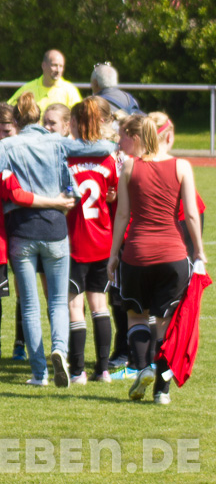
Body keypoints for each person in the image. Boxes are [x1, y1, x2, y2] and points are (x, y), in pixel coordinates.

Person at [0, 92, 115, 388]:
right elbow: (100, 148)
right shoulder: (57, 142)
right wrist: (111, 140)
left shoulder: (9, 144)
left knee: (29, 305)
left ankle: (39, 373)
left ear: (16, 120)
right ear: (39, 118)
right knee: (58, 302)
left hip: (22, 231)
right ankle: (59, 349)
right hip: (55, 229)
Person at [108, 113, 205, 405]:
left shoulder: (129, 166)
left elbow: (122, 215)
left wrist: (113, 255)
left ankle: (143, 368)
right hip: (173, 255)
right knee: (164, 325)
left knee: (137, 316)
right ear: (165, 136)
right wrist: (199, 251)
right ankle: (162, 391)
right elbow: (191, 214)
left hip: (137, 254)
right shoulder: (182, 166)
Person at [66, 99, 119, 384]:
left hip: (74, 241)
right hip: (102, 240)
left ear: (74, 123)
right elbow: (115, 194)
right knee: (100, 305)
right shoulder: (108, 159)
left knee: (75, 307)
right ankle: (103, 369)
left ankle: (78, 371)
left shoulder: (66, 158)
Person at [8, 49, 82, 114]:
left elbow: (79, 115)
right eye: (54, 65)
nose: (58, 70)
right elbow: (8, 109)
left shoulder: (70, 90)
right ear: (44, 65)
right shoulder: (28, 88)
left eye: (61, 66)